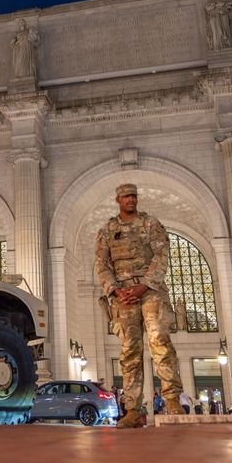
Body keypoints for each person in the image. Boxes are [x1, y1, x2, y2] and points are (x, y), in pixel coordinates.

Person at [96, 183, 184, 430]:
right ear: (118, 200)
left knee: (160, 342)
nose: (131, 200)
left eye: (134, 196)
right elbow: (102, 264)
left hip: (150, 292)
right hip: (123, 297)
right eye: (126, 196)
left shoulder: (150, 224)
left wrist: (143, 285)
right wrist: (115, 290)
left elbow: (161, 255)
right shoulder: (107, 230)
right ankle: (133, 410)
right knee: (129, 351)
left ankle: (172, 400)